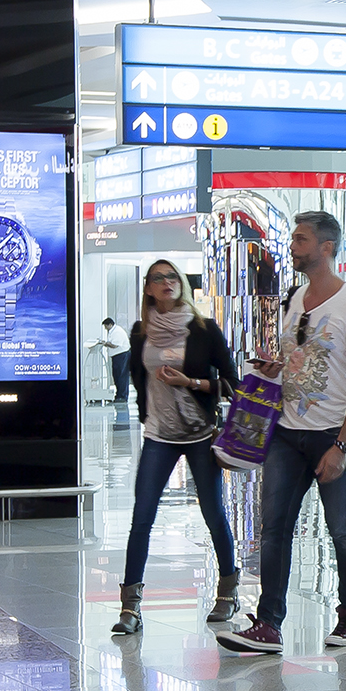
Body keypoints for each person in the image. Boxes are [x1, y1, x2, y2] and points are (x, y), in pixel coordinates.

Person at [219, 211, 346, 654]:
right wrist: (276, 368)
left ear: (327, 247)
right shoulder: (295, 299)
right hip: (287, 432)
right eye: (293, 239)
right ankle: (269, 624)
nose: (292, 247)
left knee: (342, 528)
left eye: (301, 240)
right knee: (274, 528)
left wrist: (342, 446)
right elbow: (300, 357)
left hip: (333, 433)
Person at [112, 259, 241, 636]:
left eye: (172, 276)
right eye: (158, 278)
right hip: (158, 435)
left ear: (182, 283)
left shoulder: (204, 329)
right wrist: (148, 412)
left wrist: (191, 383)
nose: (167, 282)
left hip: (200, 433)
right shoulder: (140, 332)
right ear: (148, 289)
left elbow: (232, 384)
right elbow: (138, 378)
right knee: (142, 517)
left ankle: (228, 591)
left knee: (213, 513)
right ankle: (130, 606)